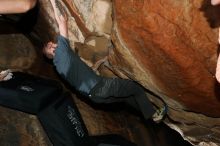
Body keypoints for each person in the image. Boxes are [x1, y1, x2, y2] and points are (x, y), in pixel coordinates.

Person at [43, 0, 167, 123]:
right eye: (49, 45)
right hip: (101, 88)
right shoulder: (61, 51)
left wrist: (101, 62)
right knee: (135, 88)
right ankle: (152, 115)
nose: (52, 43)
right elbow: (61, 21)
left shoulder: (59, 66)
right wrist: (53, 3)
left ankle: (147, 112)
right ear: (51, 52)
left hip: (95, 97)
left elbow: (85, 72)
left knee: (126, 97)